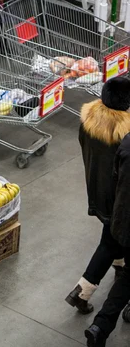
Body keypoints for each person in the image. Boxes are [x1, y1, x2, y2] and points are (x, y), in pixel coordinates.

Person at [65, 77, 130, 316]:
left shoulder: (88, 121)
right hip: (121, 201)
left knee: (112, 239)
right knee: (110, 241)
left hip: (97, 193)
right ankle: (82, 292)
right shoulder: (125, 134)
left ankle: (118, 266)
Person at [86, 81, 130, 346]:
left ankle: (96, 321)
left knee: (109, 247)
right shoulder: (123, 133)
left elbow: (115, 174)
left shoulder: (126, 142)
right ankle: (101, 325)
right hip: (120, 212)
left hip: (117, 211)